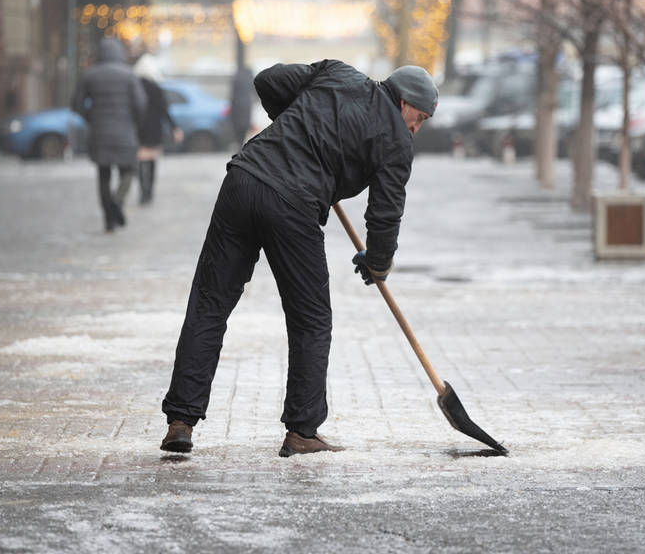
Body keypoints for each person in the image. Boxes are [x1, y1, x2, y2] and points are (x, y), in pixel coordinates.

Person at [160, 60, 437, 456]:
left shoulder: (338, 74)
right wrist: (379, 262)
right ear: (405, 101)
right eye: (419, 117)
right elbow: (386, 212)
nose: (416, 127)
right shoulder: (396, 141)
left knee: (210, 302)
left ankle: (180, 421)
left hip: (243, 178)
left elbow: (268, 80)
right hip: (292, 205)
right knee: (311, 318)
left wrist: (292, 122)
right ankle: (302, 430)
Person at [72, 38, 146, 232]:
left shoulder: (90, 75)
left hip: (99, 134)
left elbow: (76, 104)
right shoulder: (129, 75)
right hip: (125, 132)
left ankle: (108, 219)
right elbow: (140, 104)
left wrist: (92, 118)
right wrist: (132, 122)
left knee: (103, 175)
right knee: (128, 171)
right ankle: (117, 201)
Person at [132, 53, 182, 205]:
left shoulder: (134, 87)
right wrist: (175, 128)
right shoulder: (156, 88)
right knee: (152, 161)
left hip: (138, 129)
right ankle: (150, 192)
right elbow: (164, 111)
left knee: (141, 161)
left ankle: (142, 191)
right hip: (154, 130)